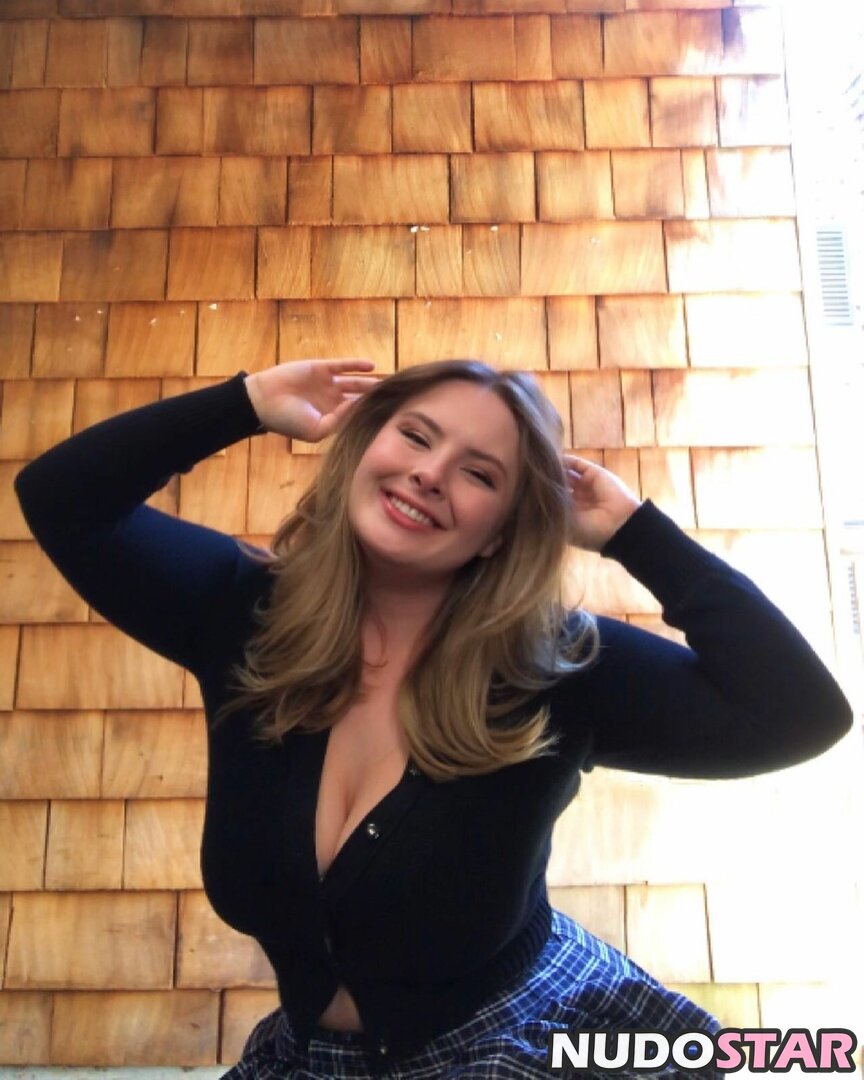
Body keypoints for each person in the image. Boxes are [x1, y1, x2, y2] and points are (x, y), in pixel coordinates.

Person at [13, 358, 853, 1079]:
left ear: (499, 535)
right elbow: (61, 497)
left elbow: (798, 714)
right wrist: (246, 402)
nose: (429, 473)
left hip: (524, 1041)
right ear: (363, 450)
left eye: (479, 474)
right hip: (310, 1057)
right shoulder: (244, 613)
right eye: (415, 436)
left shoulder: (554, 669)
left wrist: (637, 534)